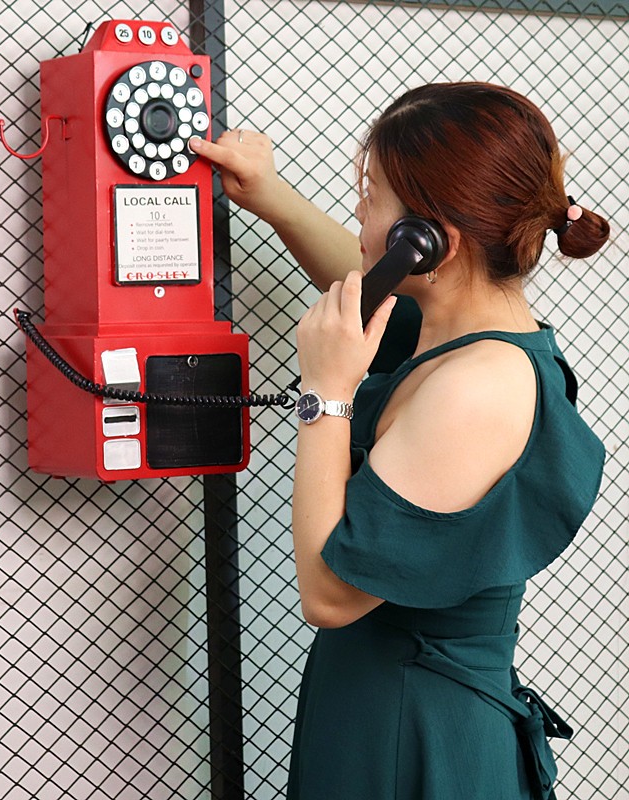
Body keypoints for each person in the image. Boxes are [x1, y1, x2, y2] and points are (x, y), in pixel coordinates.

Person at [190, 82, 609, 800]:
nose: (359, 209)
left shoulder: (475, 389)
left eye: (372, 193)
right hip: (381, 707)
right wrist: (271, 196)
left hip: (415, 732)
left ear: (430, 240)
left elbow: (331, 595)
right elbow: (360, 284)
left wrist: (326, 395)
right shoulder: (461, 333)